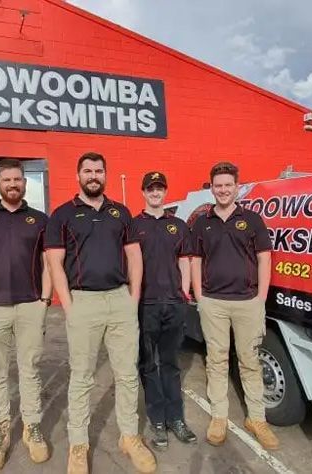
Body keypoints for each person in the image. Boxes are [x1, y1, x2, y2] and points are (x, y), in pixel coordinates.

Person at [45, 152, 157, 474]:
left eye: (98, 171)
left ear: (105, 175)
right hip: (83, 302)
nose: (93, 176)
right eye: (88, 171)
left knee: (127, 374)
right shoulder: (63, 215)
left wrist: (133, 298)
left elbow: (134, 256)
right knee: (82, 377)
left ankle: (129, 437)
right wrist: (68, 305)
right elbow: (54, 263)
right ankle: (78, 445)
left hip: (120, 300)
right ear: (78, 175)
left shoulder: (120, 213)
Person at [190, 162, 280, 450]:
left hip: (247, 303)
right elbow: (195, 260)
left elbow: (264, 258)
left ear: (237, 187)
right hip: (213, 303)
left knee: (249, 361)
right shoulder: (202, 222)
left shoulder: (252, 220)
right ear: (212, 188)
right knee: (216, 361)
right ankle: (219, 416)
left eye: (228, 185)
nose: (223, 190)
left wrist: (261, 298)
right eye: (218, 186)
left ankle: (257, 419)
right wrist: (199, 296)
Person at [0, 159, 53, 471]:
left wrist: (44, 300)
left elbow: (49, 263)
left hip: (31, 305)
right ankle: (0, 431)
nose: (13, 184)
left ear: (25, 182)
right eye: (7, 180)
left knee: (29, 370)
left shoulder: (40, 220)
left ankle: (32, 427)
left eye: (17, 179)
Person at [131, 171, 198, 450]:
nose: (155, 193)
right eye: (151, 189)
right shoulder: (133, 225)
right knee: (148, 364)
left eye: (159, 188)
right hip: (146, 305)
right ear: (143, 192)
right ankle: (157, 420)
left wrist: (184, 292)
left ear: (165, 192)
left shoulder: (178, 225)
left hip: (173, 304)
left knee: (170, 364)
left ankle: (176, 418)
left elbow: (185, 259)